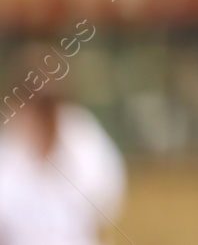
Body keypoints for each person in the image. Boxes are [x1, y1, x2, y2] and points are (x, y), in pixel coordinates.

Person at [0, 42, 126, 245]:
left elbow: (105, 209)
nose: (45, 116)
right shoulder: (7, 149)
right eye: (37, 103)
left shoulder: (82, 137)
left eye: (50, 104)